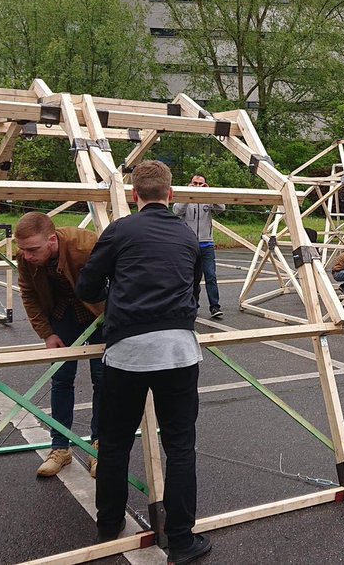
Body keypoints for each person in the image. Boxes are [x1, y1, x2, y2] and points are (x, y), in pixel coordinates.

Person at [75, 160, 211, 563]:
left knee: (115, 443)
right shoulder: (187, 235)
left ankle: (108, 524)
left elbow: (87, 285)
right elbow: (193, 290)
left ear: (135, 195)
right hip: (179, 350)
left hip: (128, 351)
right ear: (171, 194)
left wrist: (115, 299)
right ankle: (181, 540)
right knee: (180, 446)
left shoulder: (120, 230)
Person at [16, 212, 105, 478]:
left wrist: (114, 320)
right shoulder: (25, 256)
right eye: (23, 250)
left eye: (33, 249)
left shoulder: (87, 245)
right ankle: (60, 448)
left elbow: (121, 279)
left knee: (103, 378)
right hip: (63, 314)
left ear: (52, 240)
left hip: (99, 312)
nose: (27, 256)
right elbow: (29, 294)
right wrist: (47, 334)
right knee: (61, 378)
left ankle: (99, 446)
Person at [173, 174, 226, 320]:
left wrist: (210, 194)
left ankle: (215, 306)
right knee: (191, 278)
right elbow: (177, 211)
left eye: (200, 184)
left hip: (206, 244)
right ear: (190, 184)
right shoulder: (184, 198)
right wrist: (188, 195)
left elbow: (221, 208)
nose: (197, 186)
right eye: (195, 183)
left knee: (211, 276)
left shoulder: (207, 199)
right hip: (189, 245)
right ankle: (193, 306)